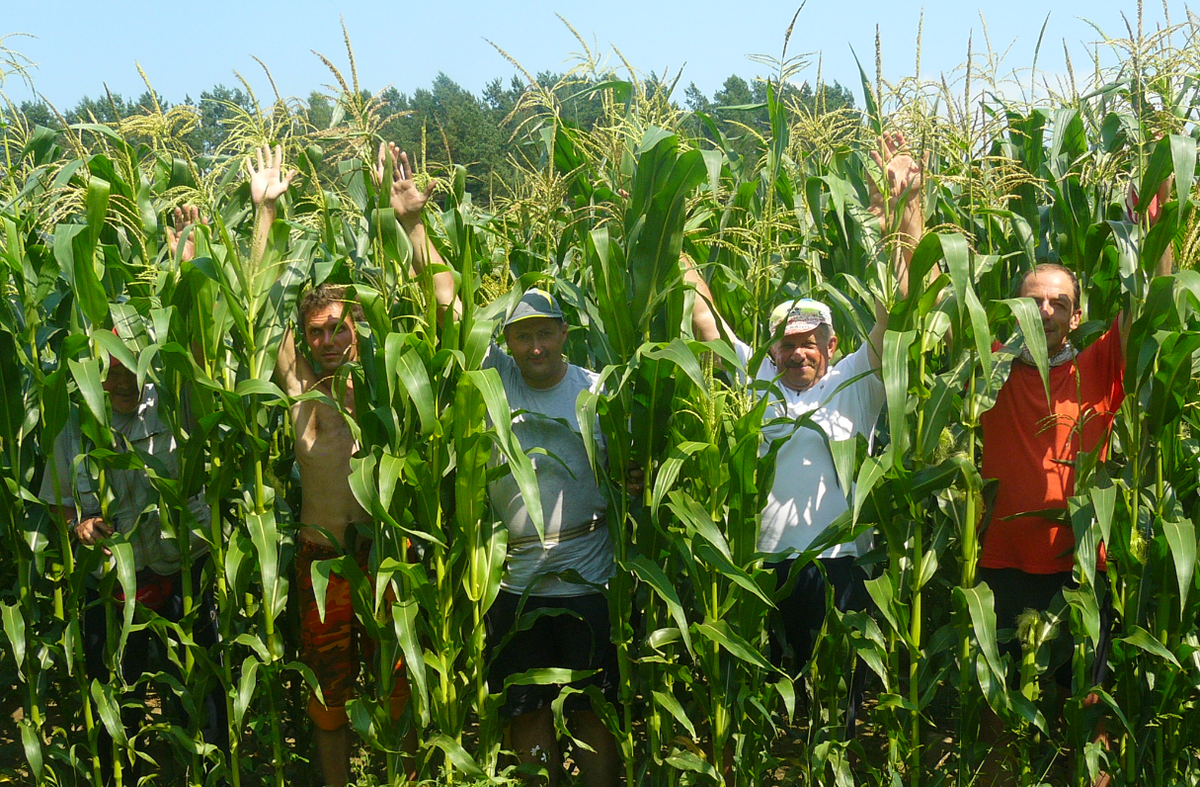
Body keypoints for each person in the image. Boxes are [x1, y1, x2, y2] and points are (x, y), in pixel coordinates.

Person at [375, 139, 621, 787]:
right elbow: (447, 301)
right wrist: (412, 224)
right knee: (525, 712)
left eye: (546, 331)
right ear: (507, 339)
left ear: (564, 332)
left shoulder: (594, 389)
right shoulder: (496, 378)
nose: (535, 344)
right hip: (513, 582)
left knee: (594, 712)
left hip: (587, 580)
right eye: (522, 333)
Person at [686, 132, 925, 734]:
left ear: (831, 344)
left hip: (843, 568)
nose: (800, 352)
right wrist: (667, 225)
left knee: (839, 715)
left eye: (810, 342)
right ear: (772, 348)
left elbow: (903, 304)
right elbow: (701, 317)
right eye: (788, 343)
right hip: (765, 572)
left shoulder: (858, 380)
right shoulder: (753, 381)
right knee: (776, 719)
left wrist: (902, 215)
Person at [976, 185, 1174, 785]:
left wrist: (1157, 226)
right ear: (1014, 306)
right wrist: (905, 216)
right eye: (1032, 301)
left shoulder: (1100, 365)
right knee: (993, 702)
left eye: (1057, 303)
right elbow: (933, 298)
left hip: (1080, 565)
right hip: (998, 561)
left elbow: (1155, 306)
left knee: (1089, 710)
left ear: (1076, 315)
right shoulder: (984, 367)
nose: (1043, 313)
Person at [258, 142, 415, 787]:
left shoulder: (384, 387)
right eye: (314, 330)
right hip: (322, 561)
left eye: (338, 327)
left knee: (397, 693)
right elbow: (256, 307)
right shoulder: (299, 390)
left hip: (380, 555)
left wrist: (395, 217)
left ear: (358, 326)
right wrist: (267, 215)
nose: (327, 340)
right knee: (328, 701)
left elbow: (417, 307)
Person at [39, 328, 227, 784]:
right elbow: (58, 499)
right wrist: (77, 525)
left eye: (130, 365)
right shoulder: (72, 422)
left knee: (201, 685)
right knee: (114, 689)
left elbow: (205, 346)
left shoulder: (176, 401)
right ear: (92, 370)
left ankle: (210, 769)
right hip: (113, 580)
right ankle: (116, 771)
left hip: (183, 568)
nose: (121, 379)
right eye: (108, 368)